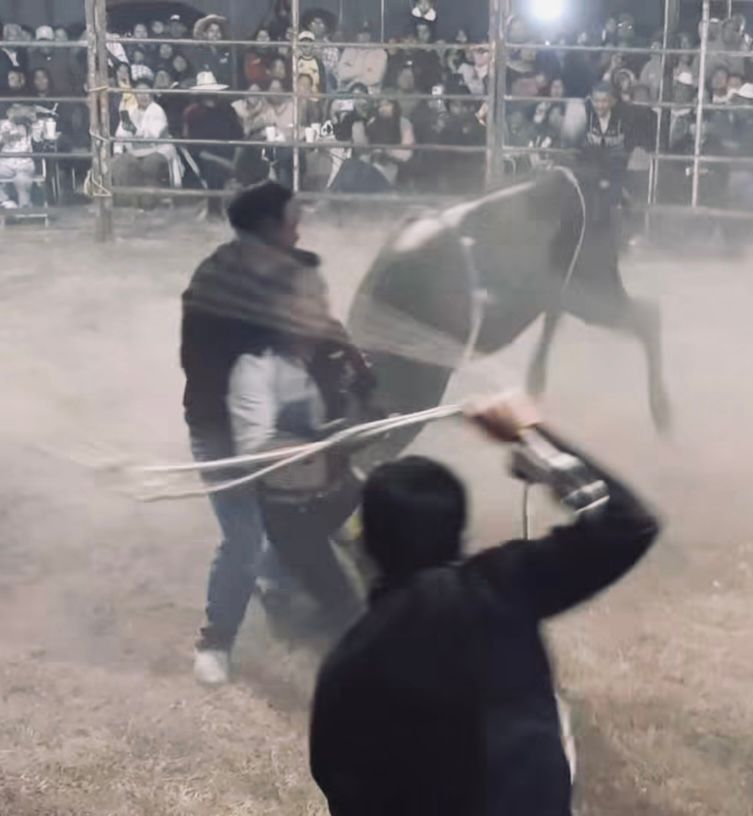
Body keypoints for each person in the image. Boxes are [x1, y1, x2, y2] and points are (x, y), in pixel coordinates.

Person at [310, 393, 661, 816]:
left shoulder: (347, 664)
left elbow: (344, 788)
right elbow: (628, 524)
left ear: (367, 546)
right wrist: (533, 438)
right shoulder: (501, 588)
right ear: (460, 532)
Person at [181, 182, 371, 685]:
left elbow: (319, 321)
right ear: (267, 228)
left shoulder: (289, 270)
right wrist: (270, 443)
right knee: (243, 535)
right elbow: (221, 379)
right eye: (292, 220)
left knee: (332, 496)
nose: (299, 228)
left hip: (284, 415)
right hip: (221, 429)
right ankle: (216, 641)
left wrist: (347, 361)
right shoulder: (215, 287)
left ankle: (281, 585)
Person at [111, 80, 181, 202]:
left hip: (157, 150)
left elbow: (152, 135)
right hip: (134, 152)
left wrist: (133, 130)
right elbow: (120, 134)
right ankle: (129, 199)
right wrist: (117, 151)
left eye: (146, 92)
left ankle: (149, 198)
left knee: (150, 164)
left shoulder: (157, 110)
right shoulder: (130, 110)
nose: (143, 96)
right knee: (121, 162)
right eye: (139, 93)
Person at [182, 71, 243, 190]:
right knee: (214, 172)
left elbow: (239, 137)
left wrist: (236, 161)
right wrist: (225, 163)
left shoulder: (228, 109)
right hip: (207, 158)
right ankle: (215, 206)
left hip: (232, 153)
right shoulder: (192, 113)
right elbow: (196, 148)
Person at [0, 103, 35, 209]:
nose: (16, 113)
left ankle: (24, 207)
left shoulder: (29, 124)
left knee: (20, 180)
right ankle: (6, 202)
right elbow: (2, 138)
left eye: (19, 110)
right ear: (9, 112)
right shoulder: (6, 125)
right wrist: (12, 133)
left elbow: (35, 135)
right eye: (13, 110)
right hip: (7, 165)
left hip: (24, 166)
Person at [336, 23, 386, 94]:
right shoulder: (349, 50)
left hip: (370, 93)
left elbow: (375, 78)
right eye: (361, 33)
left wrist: (352, 74)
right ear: (357, 34)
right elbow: (341, 74)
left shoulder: (380, 52)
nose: (364, 36)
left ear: (371, 34)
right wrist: (362, 71)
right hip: (347, 91)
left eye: (367, 33)